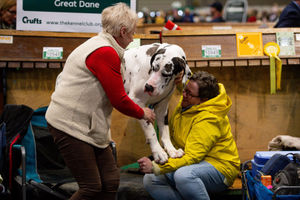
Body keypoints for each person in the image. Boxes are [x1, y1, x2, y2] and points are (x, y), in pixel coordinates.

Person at [45, 3, 156, 200]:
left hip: (88, 126)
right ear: (123, 32)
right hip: (69, 125)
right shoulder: (105, 52)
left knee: (110, 181)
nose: (133, 38)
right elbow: (119, 99)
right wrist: (143, 112)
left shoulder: (102, 44)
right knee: (91, 187)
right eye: (132, 33)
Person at [138, 71, 240, 200]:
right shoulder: (190, 103)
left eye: (189, 94)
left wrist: (156, 166)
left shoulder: (209, 118)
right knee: (151, 179)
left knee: (184, 175)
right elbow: (189, 84)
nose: (183, 95)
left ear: (203, 100)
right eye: (185, 90)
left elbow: (193, 156)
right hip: (193, 162)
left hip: (220, 168)